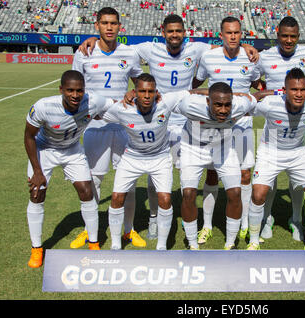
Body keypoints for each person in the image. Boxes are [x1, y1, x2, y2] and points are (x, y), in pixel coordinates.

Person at [78, 14, 258, 241]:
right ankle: (155, 218)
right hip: (158, 119)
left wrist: (246, 45)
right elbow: (117, 47)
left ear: (185, 33)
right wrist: (94, 39)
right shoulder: (148, 49)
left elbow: (226, 43)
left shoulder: (196, 49)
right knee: (155, 176)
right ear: (163, 32)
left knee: (187, 177)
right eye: (170, 31)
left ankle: (188, 220)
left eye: (179, 31)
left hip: (186, 123)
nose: (174, 35)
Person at [100, 73, 205, 250]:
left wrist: (226, 94)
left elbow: (191, 92)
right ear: (134, 92)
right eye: (142, 91)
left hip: (160, 157)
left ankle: (162, 246)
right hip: (132, 157)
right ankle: (116, 245)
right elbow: (97, 112)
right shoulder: (122, 108)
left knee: (165, 198)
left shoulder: (166, 102)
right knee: (117, 197)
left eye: (150, 91)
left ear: (156, 92)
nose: (146, 96)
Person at [24, 70, 115, 268]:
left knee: (87, 191)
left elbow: (114, 104)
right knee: (37, 193)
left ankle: (93, 243)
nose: (75, 95)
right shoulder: (43, 106)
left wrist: (129, 97)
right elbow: (29, 136)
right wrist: (38, 172)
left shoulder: (93, 101)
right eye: (70, 90)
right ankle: (37, 249)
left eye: (79, 90)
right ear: (61, 90)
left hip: (72, 149)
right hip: (45, 149)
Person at [71, 7, 144, 249]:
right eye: (105, 23)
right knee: (94, 180)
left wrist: (134, 91)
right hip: (95, 126)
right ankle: (89, 230)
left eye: (113, 23)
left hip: (124, 127)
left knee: (129, 181)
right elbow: (74, 85)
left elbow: (140, 82)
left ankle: (128, 230)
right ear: (97, 26)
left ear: (119, 26)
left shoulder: (129, 53)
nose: (109, 27)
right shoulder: (84, 53)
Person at [192, 16, 260, 245]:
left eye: (237, 33)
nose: (233, 37)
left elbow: (258, 87)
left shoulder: (251, 58)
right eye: (229, 33)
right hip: (215, 127)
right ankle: (208, 225)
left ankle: (243, 226)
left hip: (242, 126)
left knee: (245, 175)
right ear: (220, 35)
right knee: (212, 174)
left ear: (242, 34)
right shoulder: (208, 57)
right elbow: (196, 84)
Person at [247, 68, 305, 250]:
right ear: (284, 90)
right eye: (293, 90)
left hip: (298, 153)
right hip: (270, 152)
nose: (298, 94)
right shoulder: (270, 105)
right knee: (258, 194)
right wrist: (266, 92)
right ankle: (253, 241)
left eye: (302, 90)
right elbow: (247, 103)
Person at [253, 16, 305, 243]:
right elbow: (254, 80)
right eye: (284, 36)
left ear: (298, 37)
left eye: (293, 37)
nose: (289, 41)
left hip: (300, 126)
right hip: (274, 125)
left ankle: (296, 219)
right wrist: (269, 93)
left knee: (297, 178)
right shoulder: (265, 57)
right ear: (277, 36)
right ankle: (267, 218)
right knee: (271, 178)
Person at [178, 82, 257, 250]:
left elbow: (253, 99)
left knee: (235, 193)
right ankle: (192, 245)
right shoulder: (189, 105)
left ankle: (230, 244)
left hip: (223, 147)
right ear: (208, 102)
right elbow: (168, 100)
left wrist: (243, 95)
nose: (223, 110)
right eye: (218, 104)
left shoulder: (240, 105)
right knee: (188, 194)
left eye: (227, 105)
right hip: (193, 147)